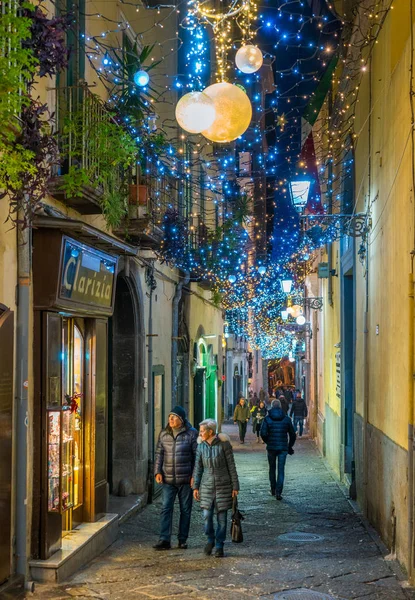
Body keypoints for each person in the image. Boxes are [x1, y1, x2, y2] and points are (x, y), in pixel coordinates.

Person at [192, 419, 239, 558]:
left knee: (222, 519)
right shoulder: (201, 447)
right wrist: (196, 486)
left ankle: (219, 545)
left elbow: (231, 466)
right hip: (206, 486)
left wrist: (235, 485)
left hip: (223, 485)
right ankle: (210, 539)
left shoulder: (224, 445)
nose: (200, 433)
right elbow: (198, 468)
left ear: (210, 431)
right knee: (206, 517)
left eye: (202, 431)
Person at [153, 406, 198, 550]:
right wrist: (157, 472)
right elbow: (159, 454)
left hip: (185, 479)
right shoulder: (164, 434)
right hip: (168, 479)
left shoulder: (191, 434)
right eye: (169, 417)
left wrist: (194, 477)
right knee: (166, 508)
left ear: (181, 419)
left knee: (185, 510)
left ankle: (182, 539)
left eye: (174, 417)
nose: (170, 420)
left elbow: (197, 458)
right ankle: (164, 539)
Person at [261, 398, 296, 500]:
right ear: (280, 406)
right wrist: (289, 446)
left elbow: (263, 433)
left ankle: (273, 489)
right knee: (281, 470)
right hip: (282, 448)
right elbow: (292, 434)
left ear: (271, 407)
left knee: (272, 468)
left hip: (271, 448)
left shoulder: (267, 419)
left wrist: (268, 441)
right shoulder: (286, 419)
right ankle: (278, 492)